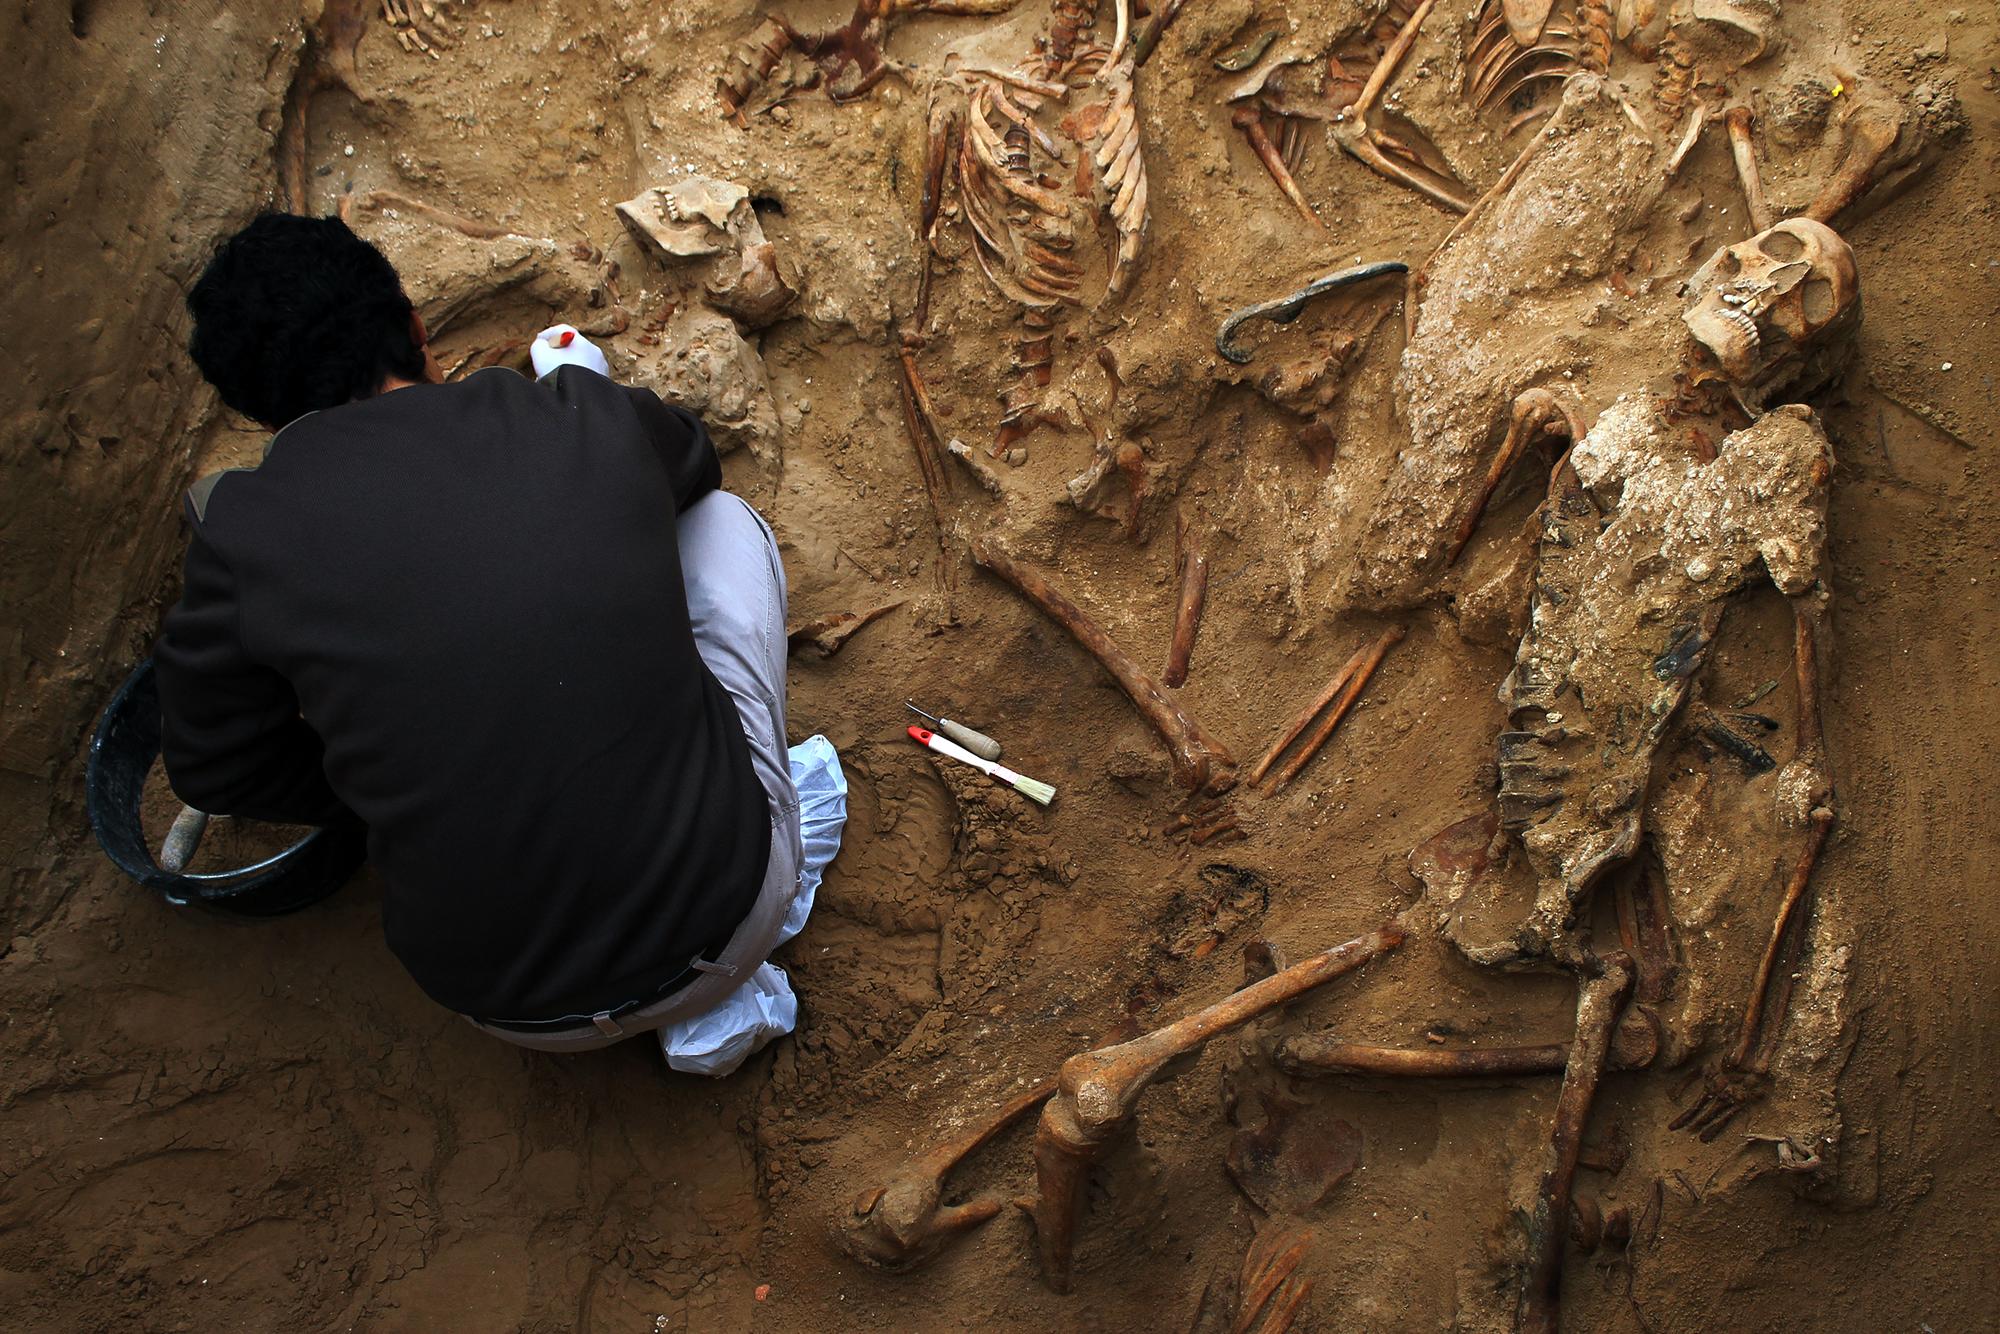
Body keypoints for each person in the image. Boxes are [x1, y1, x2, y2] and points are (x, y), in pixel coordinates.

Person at [155, 212, 840, 1072]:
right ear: (412, 327)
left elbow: (213, 768)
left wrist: (386, 778)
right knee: (721, 524)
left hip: (503, 1008)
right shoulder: (564, 412)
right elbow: (692, 464)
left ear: (255, 408)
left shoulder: (239, 532)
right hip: (731, 920)